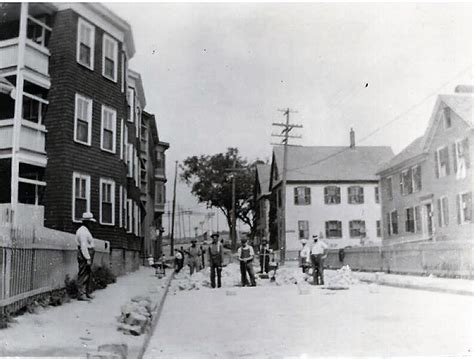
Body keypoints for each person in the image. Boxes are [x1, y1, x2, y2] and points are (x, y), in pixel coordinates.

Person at [75, 212, 96, 301]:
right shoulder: (82, 232)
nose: (92, 224)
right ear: (86, 222)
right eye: (90, 222)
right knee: (83, 273)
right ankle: (81, 294)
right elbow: (84, 246)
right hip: (85, 254)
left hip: (87, 253)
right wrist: (87, 258)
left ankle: (87, 292)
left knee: (88, 273)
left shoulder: (85, 230)